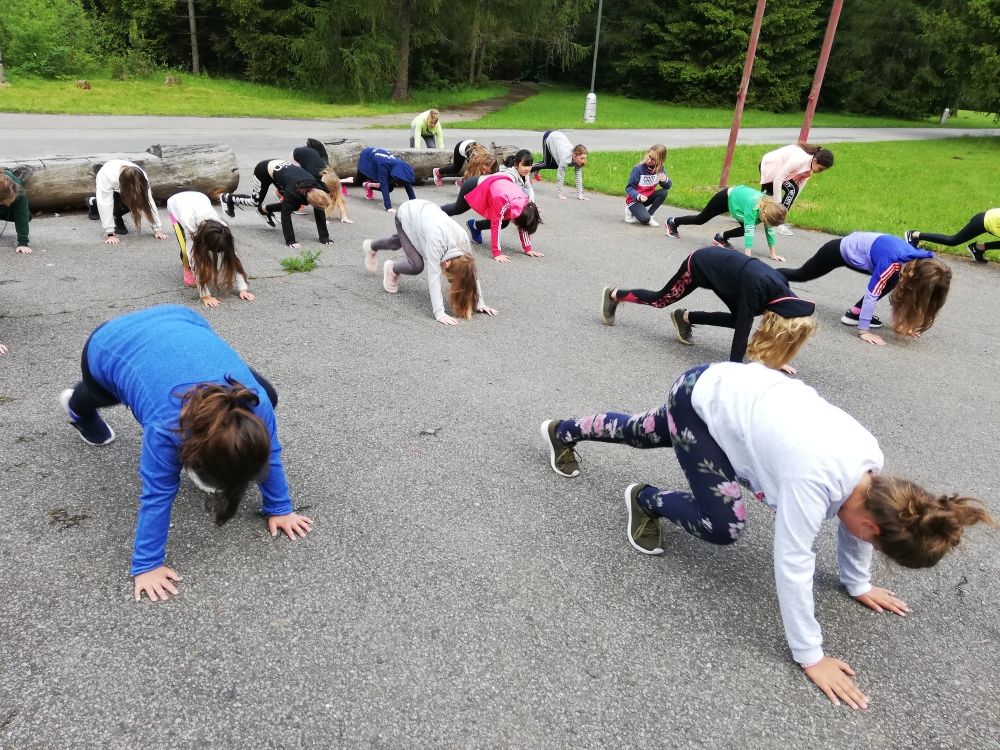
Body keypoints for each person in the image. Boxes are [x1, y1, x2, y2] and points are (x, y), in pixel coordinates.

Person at [539, 361, 994, 709]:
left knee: (643, 432)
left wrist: (859, 583)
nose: (867, 544)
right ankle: (646, 499)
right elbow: (793, 562)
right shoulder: (813, 481)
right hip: (703, 400)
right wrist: (811, 655)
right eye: (875, 543)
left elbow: (859, 525)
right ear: (874, 527)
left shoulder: (870, 473)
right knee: (725, 523)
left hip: (731, 391)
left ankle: (562, 431)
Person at [58, 304, 313, 602]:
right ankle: (77, 409)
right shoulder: (166, 428)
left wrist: (280, 508)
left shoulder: (258, 405)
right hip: (110, 343)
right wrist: (147, 565)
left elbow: (270, 455)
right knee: (99, 394)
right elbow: (157, 492)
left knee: (269, 392)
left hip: (181, 319)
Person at [599, 246, 817, 373]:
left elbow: (763, 330)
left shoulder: (780, 293)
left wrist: (777, 359)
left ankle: (685, 318)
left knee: (738, 318)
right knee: (660, 300)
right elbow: (742, 332)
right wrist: (735, 374)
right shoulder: (759, 290)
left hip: (727, 276)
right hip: (701, 264)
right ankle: (614, 294)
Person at [779, 232, 951, 346]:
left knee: (892, 281)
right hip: (840, 250)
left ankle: (854, 313)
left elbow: (906, 293)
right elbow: (872, 294)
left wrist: (902, 324)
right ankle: (770, 276)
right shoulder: (893, 264)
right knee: (801, 275)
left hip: (868, 253)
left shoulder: (921, 265)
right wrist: (864, 331)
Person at [362, 199, 499, 325]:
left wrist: (480, 303)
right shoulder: (436, 241)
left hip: (425, 214)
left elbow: (471, 273)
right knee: (416, 264)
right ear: (446, 263)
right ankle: (391, 268)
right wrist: (440, 313)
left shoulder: (463, 242)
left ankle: (372, 246)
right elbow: (433, 278)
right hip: (407, 212)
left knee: (400, 241)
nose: (443, 269)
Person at [167, 191, 255, 307]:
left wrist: (243, 289)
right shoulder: (189, 226)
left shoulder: (222, 228)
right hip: (174, 204)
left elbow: (233, 257)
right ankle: (186, 268)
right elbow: (194, 259)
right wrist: (205, 295)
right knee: (185, 249)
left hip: (200, 197)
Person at [220, 160, 335, 247]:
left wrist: (324, 237)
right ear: (309, 200)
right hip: (264, 170)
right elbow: (285, 215)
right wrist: (291, 240)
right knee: (255, 201)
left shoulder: (320, 188)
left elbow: (319, 210)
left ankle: (264, 210)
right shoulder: (293, 191)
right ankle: (227, 197)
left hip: (284, 172)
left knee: (295, 205)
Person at [440, 172, 543, 263]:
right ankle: (435, 211)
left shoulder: (525, 205)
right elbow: (495, 225)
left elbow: (524, 224)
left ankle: (474, 226)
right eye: (516, 223)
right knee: (457, 209)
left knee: (504, 222)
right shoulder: (504, 201)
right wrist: (496, 253)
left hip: (492, 189)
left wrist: (528, 248)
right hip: (474, 185)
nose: (515, 225)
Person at [665, 185, 788, 262]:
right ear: (764, 212)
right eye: (765, 221)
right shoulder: (753, 207)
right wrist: (747, 259)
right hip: (726, 198)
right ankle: (673, 222)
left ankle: (721, 238)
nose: (765, 224)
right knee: (700, 219)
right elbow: (749, 233)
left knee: (745, 229)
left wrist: (773, 254)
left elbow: (769, 230)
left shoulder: (770, 209)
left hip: (739, 206)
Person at [87, 160, 169, 245]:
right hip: (109, 180)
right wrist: (110, 233)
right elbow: (105, 204)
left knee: (132, 204)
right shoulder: (107, 176)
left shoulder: (142, 176)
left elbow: (149, 202)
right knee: (107, 201)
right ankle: (93, 201)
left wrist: (157, 230)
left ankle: (116, 215)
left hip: (122, 184)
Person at [759, 143, 834, 236]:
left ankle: (774, 220)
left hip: (780, 171)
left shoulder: (809, 167)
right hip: (770, 166)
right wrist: (778, 206)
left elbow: (799, 187)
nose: (820, 172)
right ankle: (776, 222)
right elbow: (778, 179)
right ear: (815, 160)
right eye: (820, 168)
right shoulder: (799, 160)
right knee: (773, 195)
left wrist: (789, 201)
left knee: (783, 192)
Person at [906, 208, 1000, 264]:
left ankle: (978, 248)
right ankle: (914, 235)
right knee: (952, 241)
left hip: (993, 224)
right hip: (983, 221)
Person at [289, 139, 352, 221]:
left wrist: (344, 217)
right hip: (297, 155)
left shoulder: (332, 178)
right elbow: (316, 200)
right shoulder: (314, 179)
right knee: (298, 182)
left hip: (311, 154)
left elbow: (338, 198)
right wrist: (322, 220)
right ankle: (286, 197)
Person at [529, 131, 588, 200]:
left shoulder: (578, 161)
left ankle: (536, 168)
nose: (583, 161)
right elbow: (560, 176)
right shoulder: (565, 159)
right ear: (574, 156)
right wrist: (560, 194)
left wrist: (580, 195)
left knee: (555, 165)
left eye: (584, 158)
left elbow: (578, 177)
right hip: (549, 137)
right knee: (546, 163)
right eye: (582, 158)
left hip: (558, 139)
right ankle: (529, 168)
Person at [355, 148, 417, 214]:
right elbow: (384, 184)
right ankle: (345, 183)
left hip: (378, 157)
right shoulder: (383, 165)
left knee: (390, 187)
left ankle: (368, 185)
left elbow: (408, 184)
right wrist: (388, 207)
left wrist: (414, 203)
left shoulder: (401, 167)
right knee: (357, 182)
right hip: (367, 157)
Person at [624, 144, 672, 227]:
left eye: (653, 159)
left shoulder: (660, 169)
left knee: (664, 192)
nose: (649, 160)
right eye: (649, 156)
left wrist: (666, 180)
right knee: (645, 220)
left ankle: (650, 215)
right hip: (635, 199)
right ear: (648, 153)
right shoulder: (638, 169)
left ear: (659, 160)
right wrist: (638, 196)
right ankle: (630, 210)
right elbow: (629, 188)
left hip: (647, 198)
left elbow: (667, 187)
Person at [0, 169, 32, 254]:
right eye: (4, 203)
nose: (8, 205)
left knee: (27, 216)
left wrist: (23, 243)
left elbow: (22, 212)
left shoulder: (16, 185)